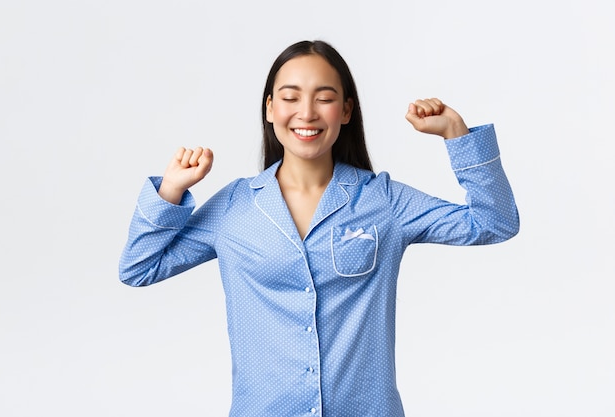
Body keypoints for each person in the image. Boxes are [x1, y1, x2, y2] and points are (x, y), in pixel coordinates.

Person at [119, 40, 519, 417]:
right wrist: (170, 191)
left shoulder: (382, 201)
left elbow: (494, 222)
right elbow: (139, 268)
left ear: (345, 111)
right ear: (270, 108)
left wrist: (456, 134)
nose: (306, 113)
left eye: (324, 98)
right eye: (291, 97)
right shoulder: (234, 208)